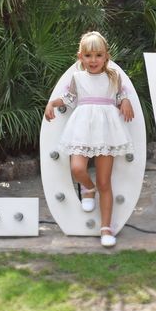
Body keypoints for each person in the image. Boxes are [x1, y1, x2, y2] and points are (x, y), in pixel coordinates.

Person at [44, 31, 134, 247]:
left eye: (98, 55)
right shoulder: (77, 78)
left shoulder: (113, 77)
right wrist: (51, 104)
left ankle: (106, 228)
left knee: (105, 181)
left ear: (106, 57)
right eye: (88, 56)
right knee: (77, 168)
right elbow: (69, 98)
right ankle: (88, 188)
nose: (93, 60)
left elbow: (120, 94)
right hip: (82, 129)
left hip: (107, 133)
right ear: (80, 57)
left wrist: (125, 101)